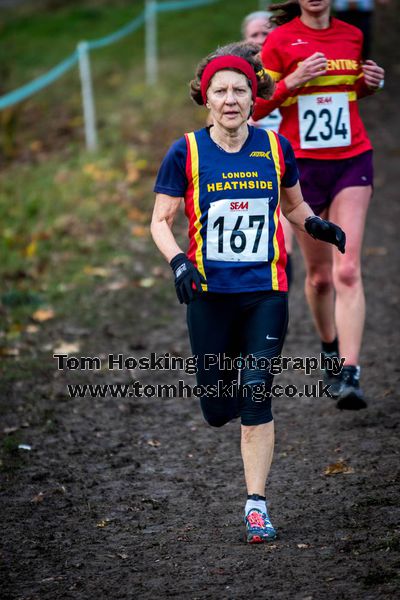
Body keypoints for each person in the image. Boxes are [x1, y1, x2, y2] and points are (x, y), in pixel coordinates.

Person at [150, 41, 345, 543]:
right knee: (217, 408)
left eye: (240, 89)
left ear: (253, 97)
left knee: (257, 392)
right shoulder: (186, 152)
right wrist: (178, 262)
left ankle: (256, 503)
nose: (231, 98)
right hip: (210, 293)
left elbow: (293, 207)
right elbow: (160, 221)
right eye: (221, 90)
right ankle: (229, 384)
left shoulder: (275, 148)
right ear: (206, 98)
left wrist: (318, 225)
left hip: (266, 289)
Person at [252, 0, 385, 409]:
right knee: (320, 276)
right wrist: (292, 80)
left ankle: (350, 371)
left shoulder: (352, 34)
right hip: (302, 170)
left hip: (351, 160)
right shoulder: (278, 40)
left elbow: (349, 91)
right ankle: (329, 346)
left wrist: (368, 83)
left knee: (347, 268)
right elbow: (256, 108)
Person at [242, 11, 295, 288]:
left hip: (285, 165)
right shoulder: (235, 77)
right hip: (248, 166)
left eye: (267, 34)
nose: (260, 40)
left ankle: (277, 312)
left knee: (282, 243)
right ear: (244, 39)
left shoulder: (291, 69)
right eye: (254, 35)